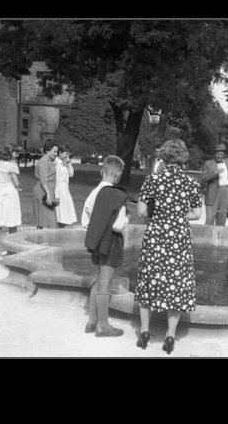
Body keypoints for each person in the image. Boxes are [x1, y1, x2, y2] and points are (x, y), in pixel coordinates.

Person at [135, 140, 202, 354]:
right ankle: (170, 335)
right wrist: (177, 215)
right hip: (179, 236)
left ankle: (144, 332)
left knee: (148, 278)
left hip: (156, 234)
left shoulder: (152, 180)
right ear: (183, 157)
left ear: (163, 156)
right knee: (177, 281)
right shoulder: (191, 183)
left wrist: (161, 214)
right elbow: (196, 214)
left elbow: (142, 212)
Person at [82, 156, 129, 338]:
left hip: (96, 241)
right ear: (117, 175)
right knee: (106, 283)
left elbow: (86, 220)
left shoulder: (93, 193)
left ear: (102, 171)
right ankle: (103, 325)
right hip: (111, 242)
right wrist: (126, 219)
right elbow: (117, 225)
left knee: (98, 279)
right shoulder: (116, 195)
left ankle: (92, 321)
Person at [200, 144, 228, 226]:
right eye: (217, 153)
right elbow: (203, 179)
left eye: (221, 154)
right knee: (210, 218)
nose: (219, 156)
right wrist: (213, 174)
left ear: (224, 154)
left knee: (222, 216)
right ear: (214, 154)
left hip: (225, 190)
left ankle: (219, 237)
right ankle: (208, 237)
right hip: (212, 190)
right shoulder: (208, 163)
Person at [0, 144, 23, 256]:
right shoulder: (11, 165)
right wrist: (18, 186)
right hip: (9, 192)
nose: (17, 154)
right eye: (15, 152)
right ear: (10, 154)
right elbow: (16, 182)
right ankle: (12, 248)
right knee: (12, 220)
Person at [31, 139, 59, 229]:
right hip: (42, 192)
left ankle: (43, 241)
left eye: (57, 152)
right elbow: (43, 180)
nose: (56, 154)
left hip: (48, 191)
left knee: (48, 221)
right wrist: (48, 194)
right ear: (47, 151)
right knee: (45, 222)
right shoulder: (43, 162)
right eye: (54, 151)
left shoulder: (50, 161)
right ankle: (41, 242)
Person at [55, 144, 77, 227]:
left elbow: (71, 174)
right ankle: (59, 226)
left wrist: (69, 164)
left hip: (65, 190)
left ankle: (62, 226)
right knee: (60, 212)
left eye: (68, 154)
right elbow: (56, 180)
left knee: (65, 212)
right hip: (60, 190)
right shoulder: (56, 163)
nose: (67, 156)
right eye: (66, 154)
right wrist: (57, 195)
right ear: (60, 153)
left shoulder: (64, 163)